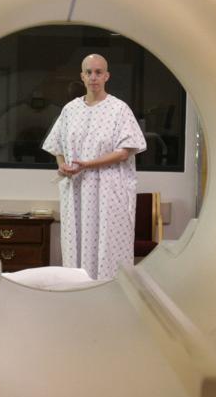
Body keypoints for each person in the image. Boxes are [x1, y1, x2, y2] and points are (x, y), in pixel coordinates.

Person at [41, 54, 147, 280]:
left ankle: (111, 298)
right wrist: (63, 166)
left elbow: (124, 151)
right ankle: (78, 296)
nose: (93, 77)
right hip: (77, 190)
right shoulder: (70, 110)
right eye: (89, 72)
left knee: (109, 245)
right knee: (76, 244)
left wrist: (87, 164)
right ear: (82, 76)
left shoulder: (119, 109)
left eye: (98, 72)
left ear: (107, 76)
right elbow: (57, 145)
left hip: (109, 190)